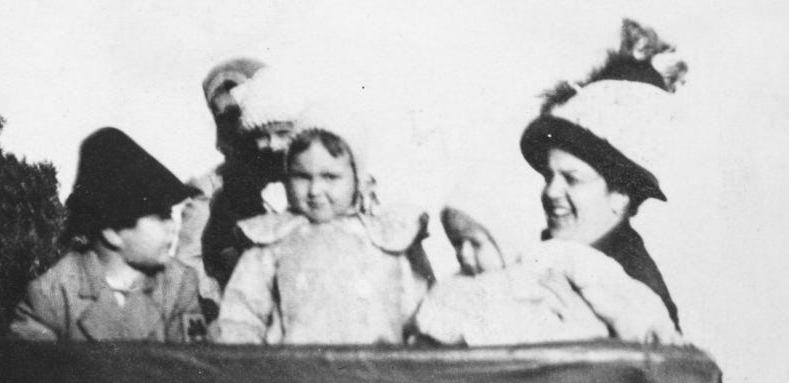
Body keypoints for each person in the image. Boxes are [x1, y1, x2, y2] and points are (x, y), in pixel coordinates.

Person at [444, 20, 686, 330]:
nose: (552, 192)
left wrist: (597, 346)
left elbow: (669, 372)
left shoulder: (632, 281)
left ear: (620, 197)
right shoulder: (549, 257)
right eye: (548, 175)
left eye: (571, 178)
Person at [215, 101, 432, 345]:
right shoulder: (273, 241)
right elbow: (240, 316)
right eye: (302, 177)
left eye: (330, 177)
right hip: (294, 376)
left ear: (357, 179)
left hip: (376, 377)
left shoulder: (385, 240)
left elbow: (420, 318)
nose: (315, 190)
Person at [9, 128, 205, 345]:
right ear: (112, 233)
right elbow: (30, 374)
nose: (173, 226)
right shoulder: (52, 295)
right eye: (160, 216)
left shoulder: (178, 284)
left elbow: (192, 369)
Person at [415, 203, 681, 346]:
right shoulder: (457, 285)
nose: (464, 254)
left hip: (564, 354)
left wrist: (646, 327)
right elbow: (432, 319)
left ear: (503, 237)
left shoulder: (548, 258)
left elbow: (607, 285)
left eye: (475, 243)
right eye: (456, 243)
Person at [194, 66, 308, 300]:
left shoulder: (320, 186)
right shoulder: (232, 195)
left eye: (283, 133)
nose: (272, 145)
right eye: (262, 136)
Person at [175, 56, 266, 314]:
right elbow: (188, 266)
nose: (236, 127)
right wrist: (220, 306)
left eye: (240, 113)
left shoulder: (302, 176)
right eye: (225, 118)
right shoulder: (212, 188)